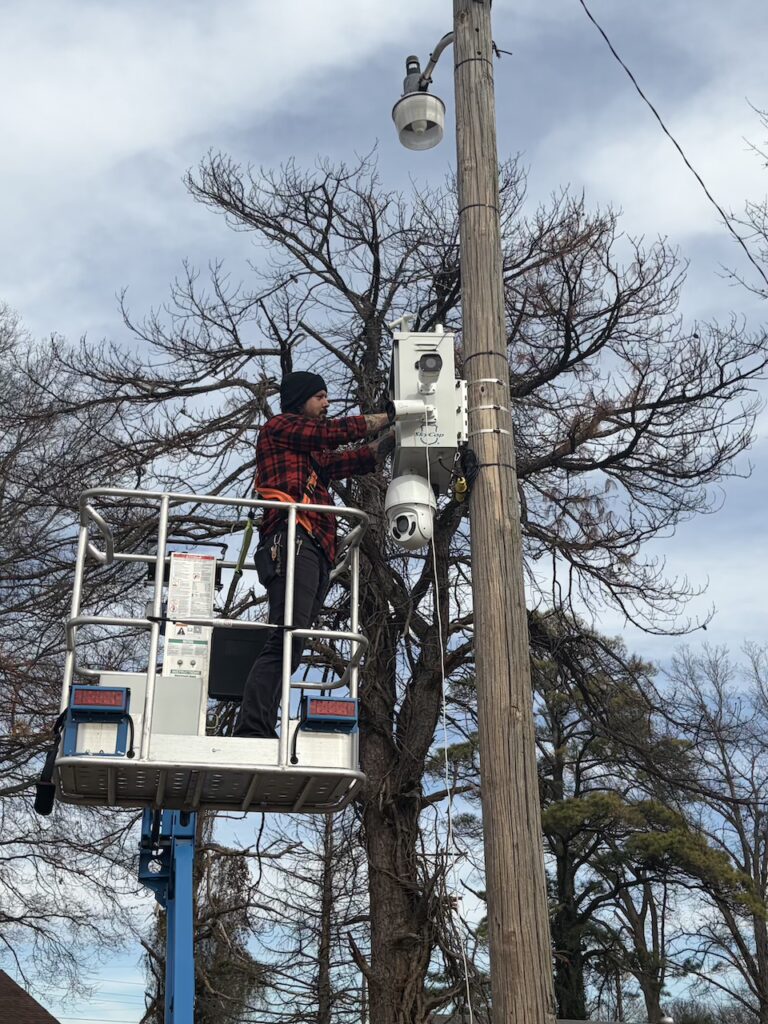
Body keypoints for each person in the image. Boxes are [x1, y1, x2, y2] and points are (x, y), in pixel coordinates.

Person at [233, 370, 394, 738]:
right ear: (299, 400)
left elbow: (350, 460)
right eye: (319, 397)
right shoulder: (279, 428)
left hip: (315, 548)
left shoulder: (309, 454)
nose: (326, 403)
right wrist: (389, 415)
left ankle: (258, 725)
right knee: (286, 636)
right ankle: (252, 729)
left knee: (293, 641)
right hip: (292, 540)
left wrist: (393, 440)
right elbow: (331, 433)